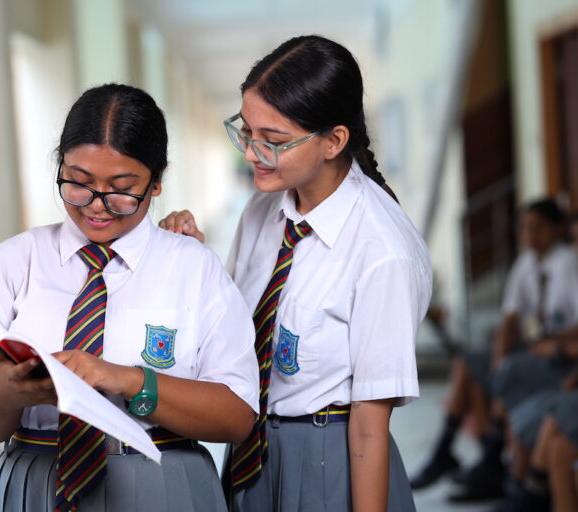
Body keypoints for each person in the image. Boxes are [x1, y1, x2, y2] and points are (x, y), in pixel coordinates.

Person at [0, 83, 259, 512]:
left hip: (161, 482)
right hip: (37, 483)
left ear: (157, 183)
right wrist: (9, 394)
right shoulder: (15, 262)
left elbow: (237, 417)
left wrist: (128, 379)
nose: (97, 206)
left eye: (121, 188)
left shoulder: (192, 267)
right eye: (78, 183)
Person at [160, 35, 431, 511]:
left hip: (332, 460)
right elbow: (228, 339)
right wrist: (190, 261)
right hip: (252, 452)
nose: (250, 153)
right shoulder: (263, 211)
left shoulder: (382, 251)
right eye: (245, 131)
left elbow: (370, 425)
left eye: (274, 141)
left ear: (334, 141)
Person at [410, 199, 578, 501]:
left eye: (537, 227)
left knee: (510, 373)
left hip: (560, 353)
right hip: (538, 347)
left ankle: (491, 465)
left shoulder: (566, 262)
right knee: (472, 364)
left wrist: (545, 346)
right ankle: (452, 453)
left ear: (556, 229)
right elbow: (509, 318)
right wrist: (500, 358)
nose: (529, 234)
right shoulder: (527, 263)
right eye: (525, 227)